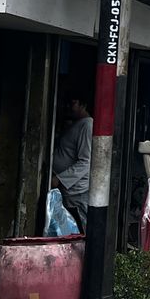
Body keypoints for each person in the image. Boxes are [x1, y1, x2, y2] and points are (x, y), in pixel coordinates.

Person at [52, 95, 93, 231]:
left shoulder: (87, 125)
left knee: (79, 228)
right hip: (68, 190)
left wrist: (60, 179)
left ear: (83, 105)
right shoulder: (76, 124)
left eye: (73, 102)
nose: (69, 106)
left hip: (76, 191)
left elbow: (85, 162)